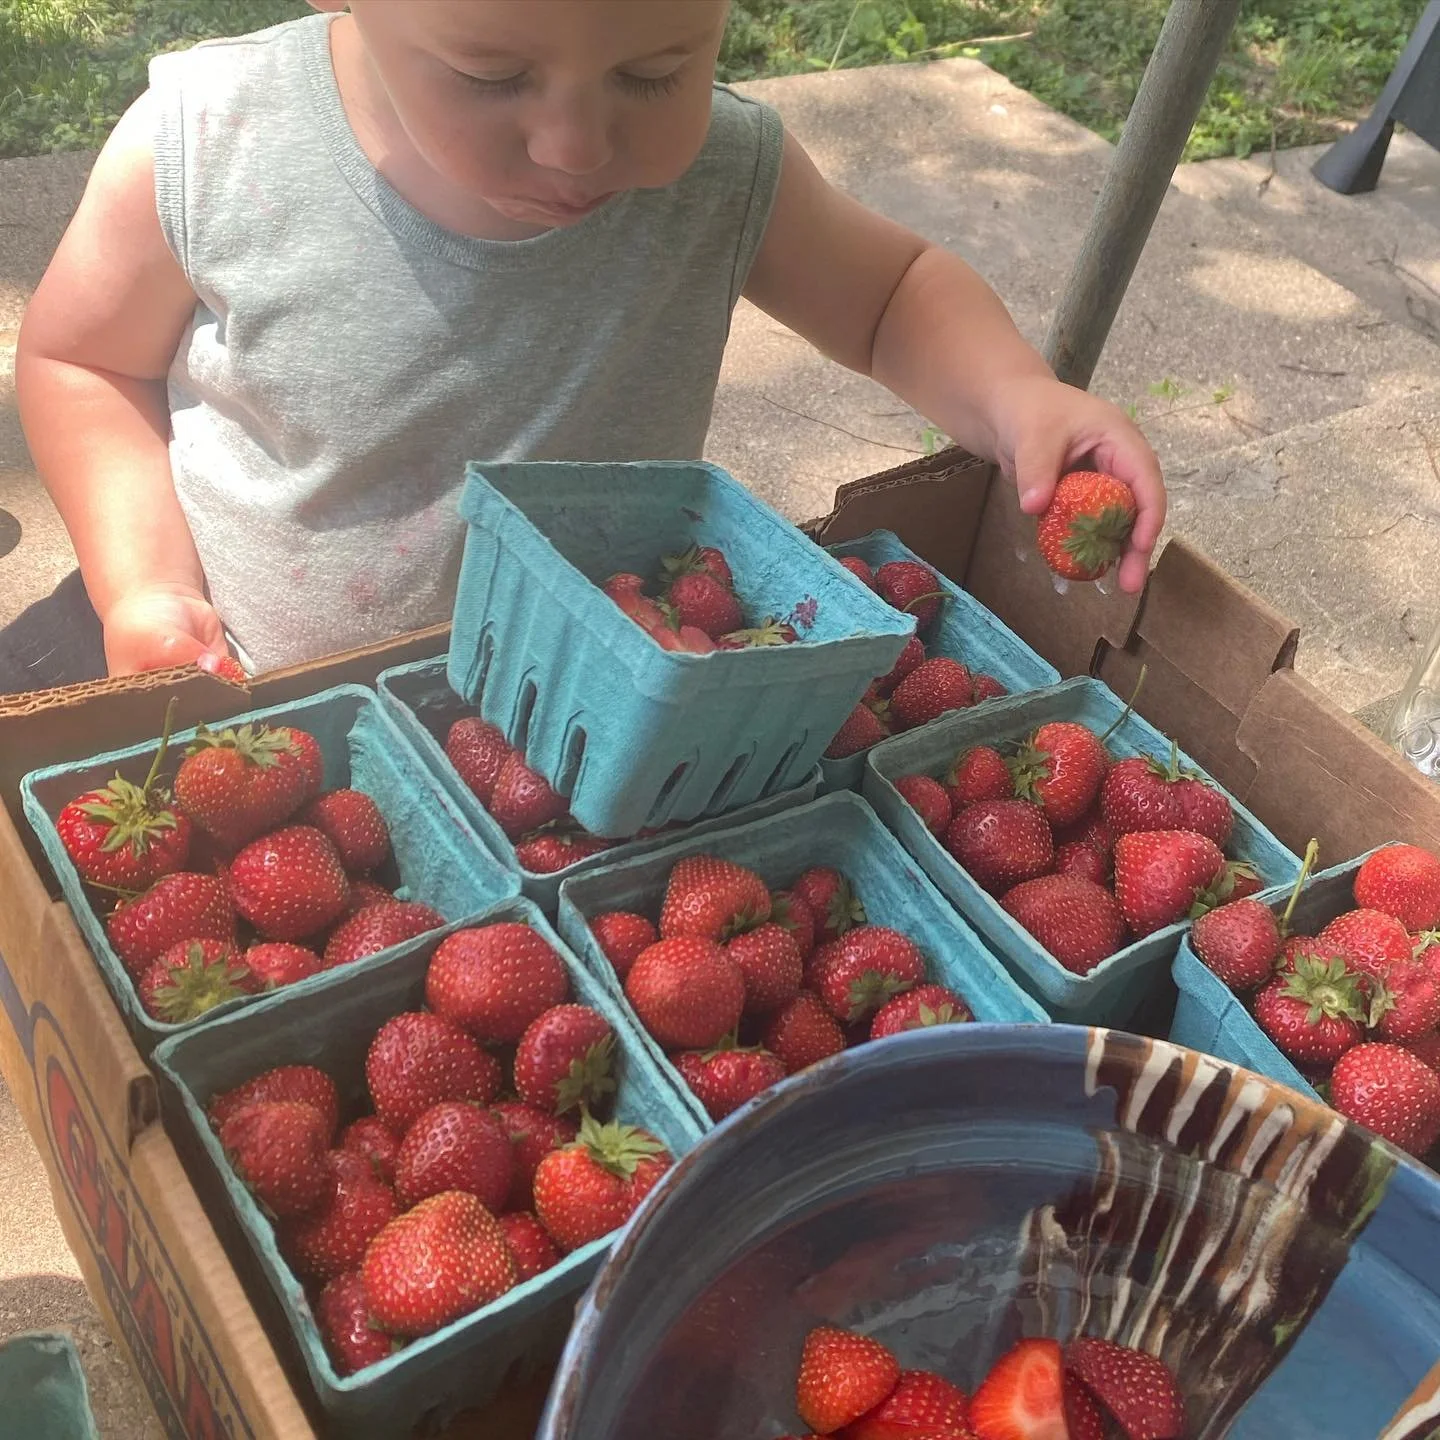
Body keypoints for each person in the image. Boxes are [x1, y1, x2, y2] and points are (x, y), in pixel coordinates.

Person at [7, 0, 1164, 693]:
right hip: (248, 686)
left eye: (656, 72)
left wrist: (1016, 395)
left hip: (567, 717)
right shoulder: (215, 141)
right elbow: (83, 362)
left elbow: (890, 295)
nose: (576, 145)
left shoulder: (721, 173)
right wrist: (144, 583)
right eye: (492, 75)